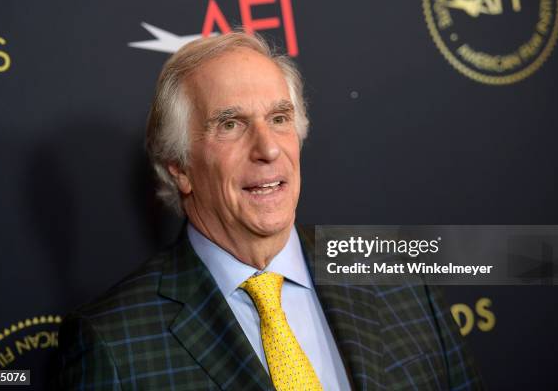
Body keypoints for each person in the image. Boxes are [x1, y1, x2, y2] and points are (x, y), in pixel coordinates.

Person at [58, 31, 483, 390]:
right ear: (180, 167)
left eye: (279, 118)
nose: (268, 149)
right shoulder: (114, 343)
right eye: (231, 124)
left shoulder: (396, 272)